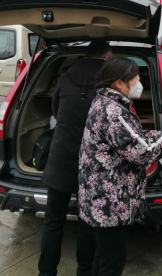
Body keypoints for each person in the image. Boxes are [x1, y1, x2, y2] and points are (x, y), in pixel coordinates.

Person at [78, 57, 162, 276]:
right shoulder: (114, 112)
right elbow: (143, 153)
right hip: (109, 202)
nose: (139, 83)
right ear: (119, 83)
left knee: (102, 256)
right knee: (112, 262)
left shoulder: (103, 101)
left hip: (99, 196)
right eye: (135, 79)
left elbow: (133, 138)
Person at [38, 40, 113, 276]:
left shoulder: (64, 77)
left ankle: (46, 272)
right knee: (87, 224)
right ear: (106, 58)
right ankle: (85, 272)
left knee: (53, 222)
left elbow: (55, 110)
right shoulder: (109, 84)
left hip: (60, 157)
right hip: (92, 163)